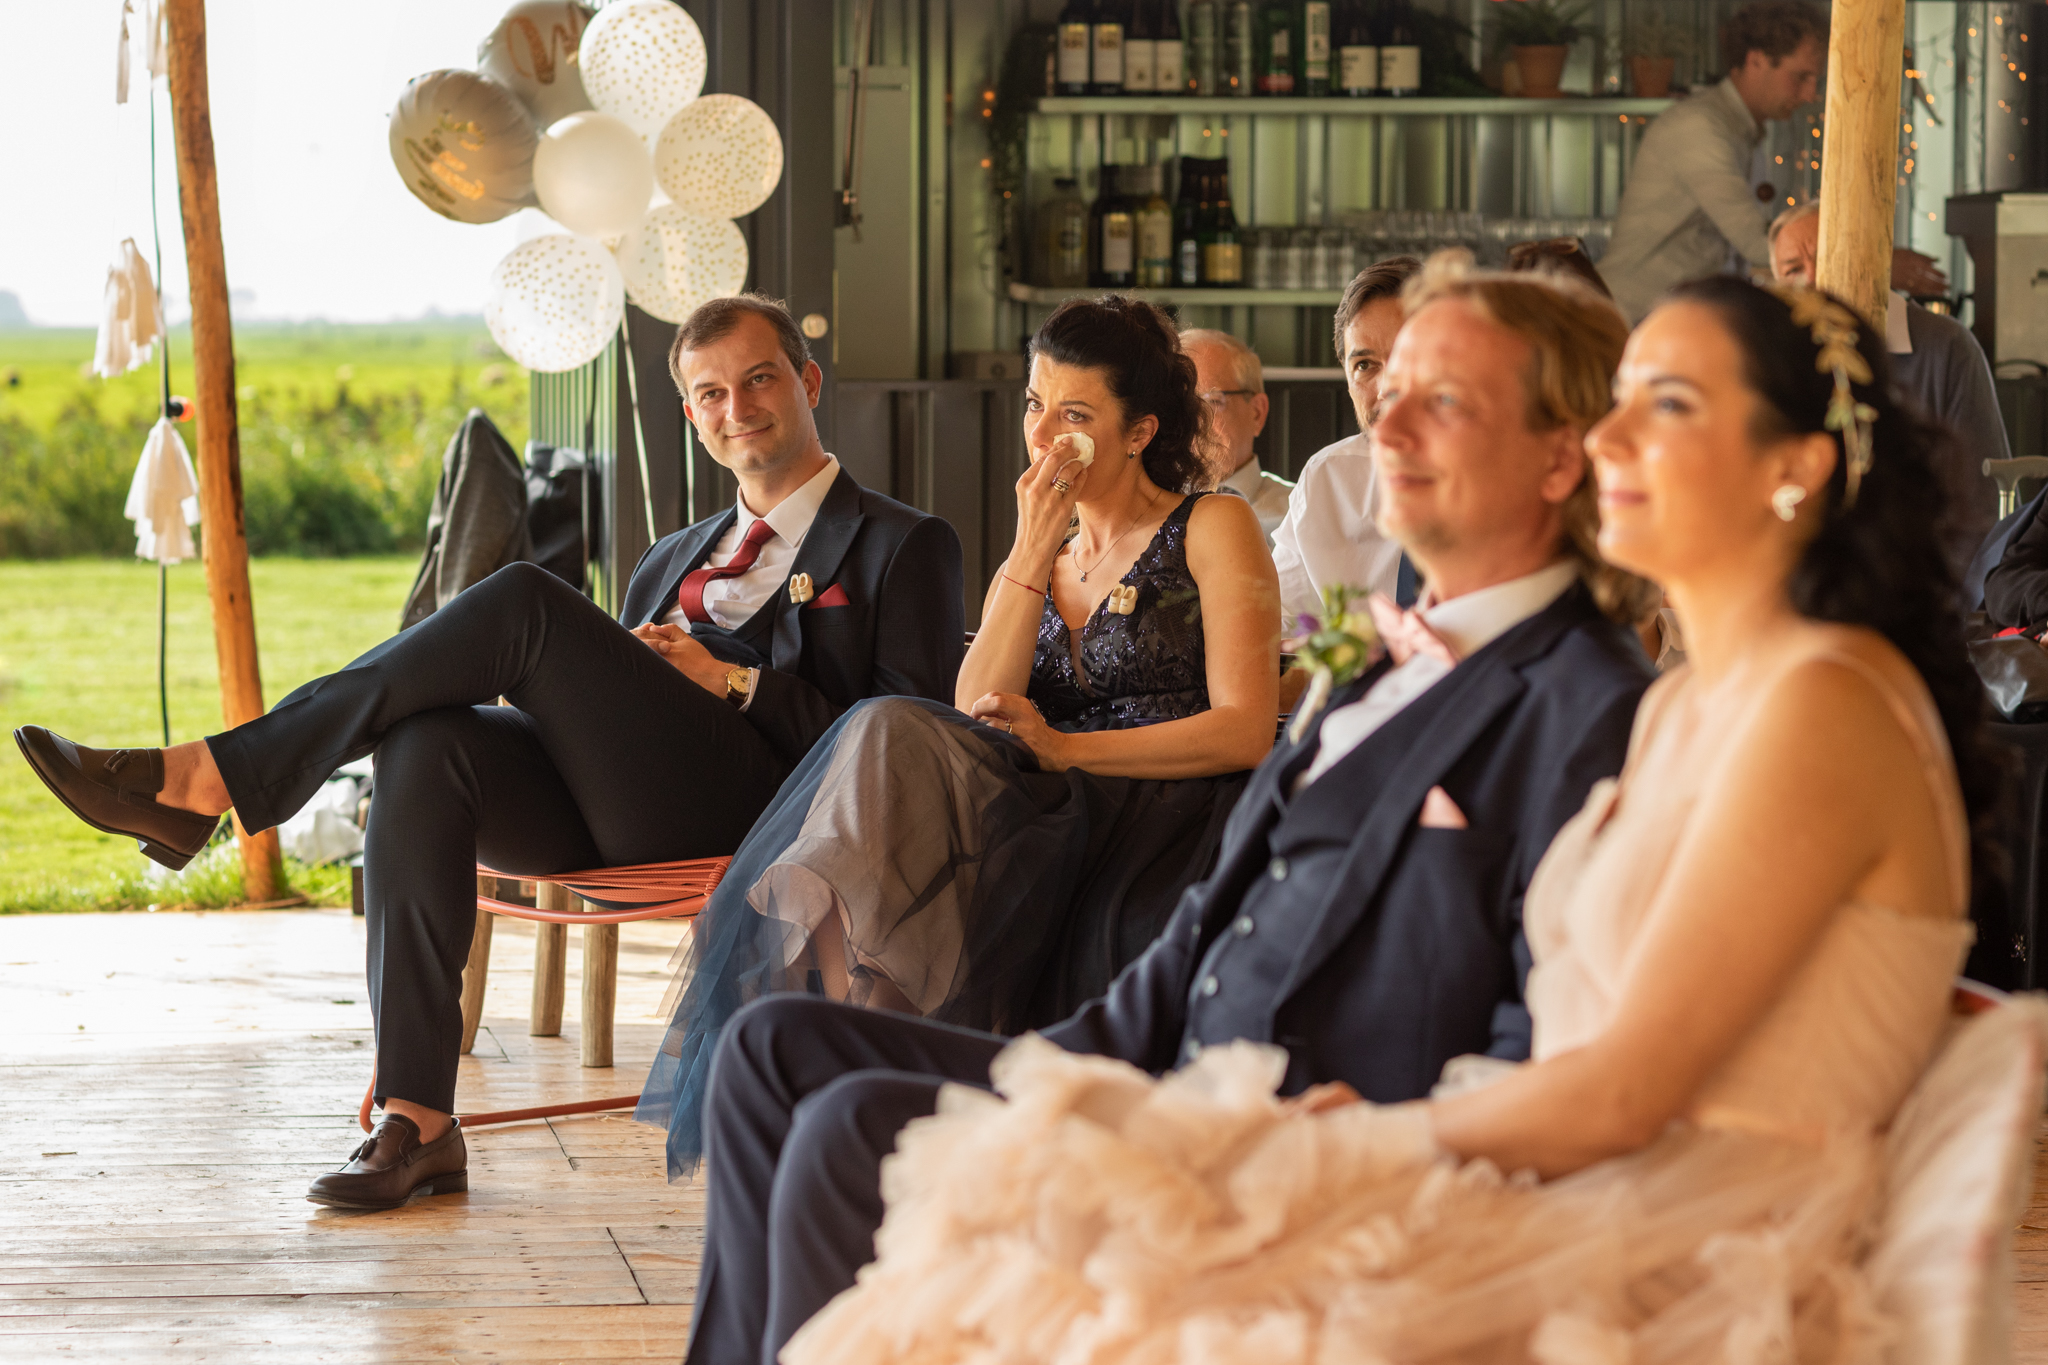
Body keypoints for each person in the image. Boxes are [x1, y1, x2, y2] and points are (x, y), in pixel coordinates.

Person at [781, 275, 2004, 1365]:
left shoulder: (1813, 704)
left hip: (1666, 1236)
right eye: (1618, 399)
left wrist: (1364, 1137)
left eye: (1666, 404)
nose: (1609, 436)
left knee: (986, 1241)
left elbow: (1622, 1091)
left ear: (1794, 467)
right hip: (1540, 1158)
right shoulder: (1698, 701)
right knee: (910, 1168)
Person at [673, 259, 1659, 1365]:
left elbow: (1561, 1032)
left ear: (1561, 460)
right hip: (1147, 1027)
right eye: (1385, 391)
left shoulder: (1590, 706)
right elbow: (1212, 919)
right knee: (770, 1048)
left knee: (839, 1129)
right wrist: (1064, 1064)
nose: (1385, 426)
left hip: (1268, 1106)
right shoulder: (1376, 661)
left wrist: (1375, 1136)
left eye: (1446, 401)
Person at [11, 293, 965, 1213]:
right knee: (427, 742)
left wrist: (734, 681)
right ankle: (418, 1121)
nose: (737, 407)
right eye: (711, 393)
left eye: (759, 379)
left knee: (522, 602)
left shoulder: (902, 543)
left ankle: (212, 777)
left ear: (807, 381)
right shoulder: (671, 557)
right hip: (628, 809)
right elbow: (621, 727)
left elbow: (908, 743)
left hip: (772, 813)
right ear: (690, 415)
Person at [636, 295, 1280, 1181]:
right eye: (1034, 405)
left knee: (891, 746)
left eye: (1075, 414)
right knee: (886, 727)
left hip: (1163, 804)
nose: (1044, 435)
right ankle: (852, 1062)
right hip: (1046, 799)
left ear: (1139, 431)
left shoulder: (1212, 524)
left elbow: (1245, 730)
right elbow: (973, 705)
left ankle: (851, 1087)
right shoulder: (1048, 548)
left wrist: (1067, 749)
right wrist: (1031, 547)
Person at [1599, 1, 1948, 324]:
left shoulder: (1737, 128)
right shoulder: (1699, 127)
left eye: (1815, 80)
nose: (1810, 94)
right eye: (1801, 77)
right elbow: (1756, 244)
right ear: (1756, 61)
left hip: (1668, 317)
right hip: (1629, 321)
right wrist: (1871, 264)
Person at [1770, 199, 2009, 571]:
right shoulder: (1777, 360)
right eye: (1794, 269)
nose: (1814, 278)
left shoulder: (1945, 347)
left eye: (1827, 257)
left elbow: (1982, 504)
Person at [1270, 257, 1419, 627]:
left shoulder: (1512, 476)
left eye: (1406, 358)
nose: (1384, 390)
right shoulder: (1328, 478)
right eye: (1365, 365)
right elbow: (1280, 621)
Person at [1180, 328, 1293, 538]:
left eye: (1212, 401)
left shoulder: (1300, 512)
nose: (1193, 420)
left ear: (1257, 413)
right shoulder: (1141, 512)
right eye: (1180, 403)